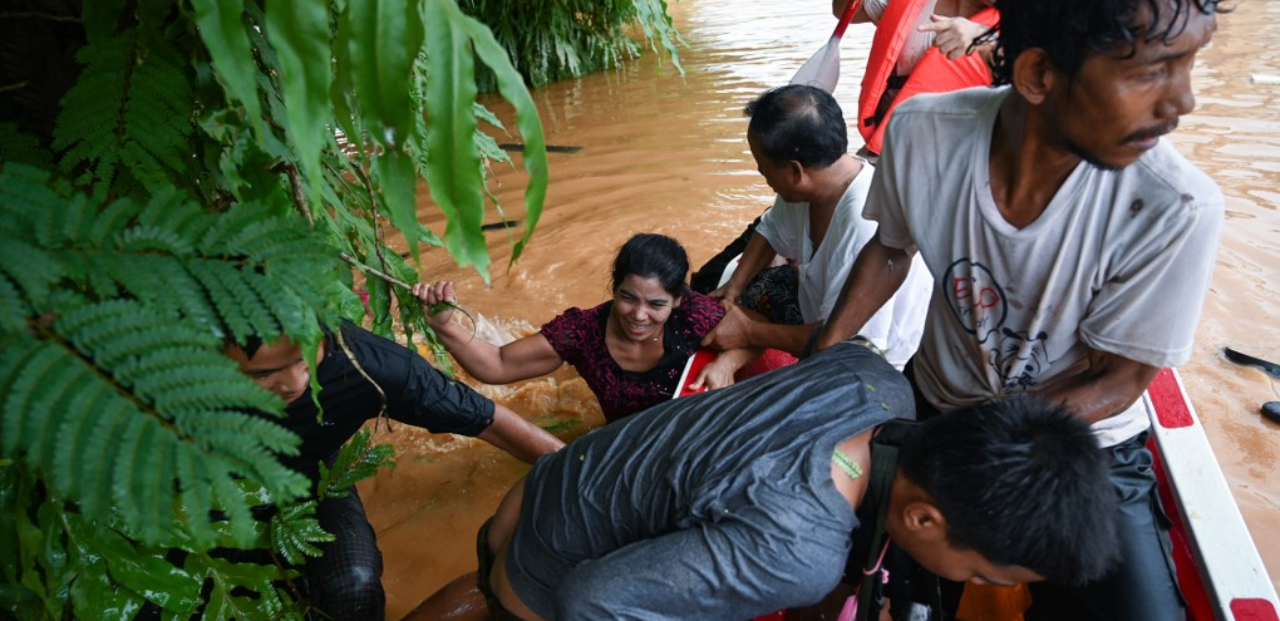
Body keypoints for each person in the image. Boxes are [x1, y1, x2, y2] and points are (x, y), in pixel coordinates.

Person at [813, 0, 1230, 619]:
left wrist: (969, 461)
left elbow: (1119, 379)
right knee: (844, 565)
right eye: (1152, 72)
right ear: (1037, 75)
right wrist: (820, 363)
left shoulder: (1175, 207)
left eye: (1188, 63)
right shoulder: (923, 132)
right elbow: (888, 251)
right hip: (939, 408)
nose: (1182, 102)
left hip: (1078, 448)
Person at [406, 341, 1119, 621]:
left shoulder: (874, 380)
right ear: (925, 522)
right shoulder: (800, 551)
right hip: (538, 591)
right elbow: (591, 601)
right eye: (982, 575)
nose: (981, 584)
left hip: (537, 497)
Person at [223, 321, 565, 621]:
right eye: (264, 374)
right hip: (200, 484)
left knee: (354, 588)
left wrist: (591, 475)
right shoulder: (171, 379)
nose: (293, 382)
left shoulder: (367, 364)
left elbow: (490, 422)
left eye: (303, 359)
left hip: (313, 476)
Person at [699, 84, 931, 368]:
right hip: (822, 315)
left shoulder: (863, 224)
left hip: (873, 358)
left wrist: (748, 331)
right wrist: (733, 288)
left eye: (764, 169)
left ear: (795, 171)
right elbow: (770, 230)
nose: (762, 175)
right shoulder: (807, 185)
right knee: (741, 286)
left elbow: (841, 340)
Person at [417, 233, 756, 423]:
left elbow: (761, 334)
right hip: (625, 442)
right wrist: (445, 327)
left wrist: (726, 363)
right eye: (628, 298)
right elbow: (498, 365)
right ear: (614, 287)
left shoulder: (693, 316)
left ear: (678, 300)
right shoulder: (583, 332)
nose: (639, 315)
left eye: (656, 305)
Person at [833, 0, 1044, 156]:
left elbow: (1047, 95)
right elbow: (845, 11)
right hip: (888, 149)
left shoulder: (1033, 22)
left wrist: (984, 42)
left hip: (963, 162)